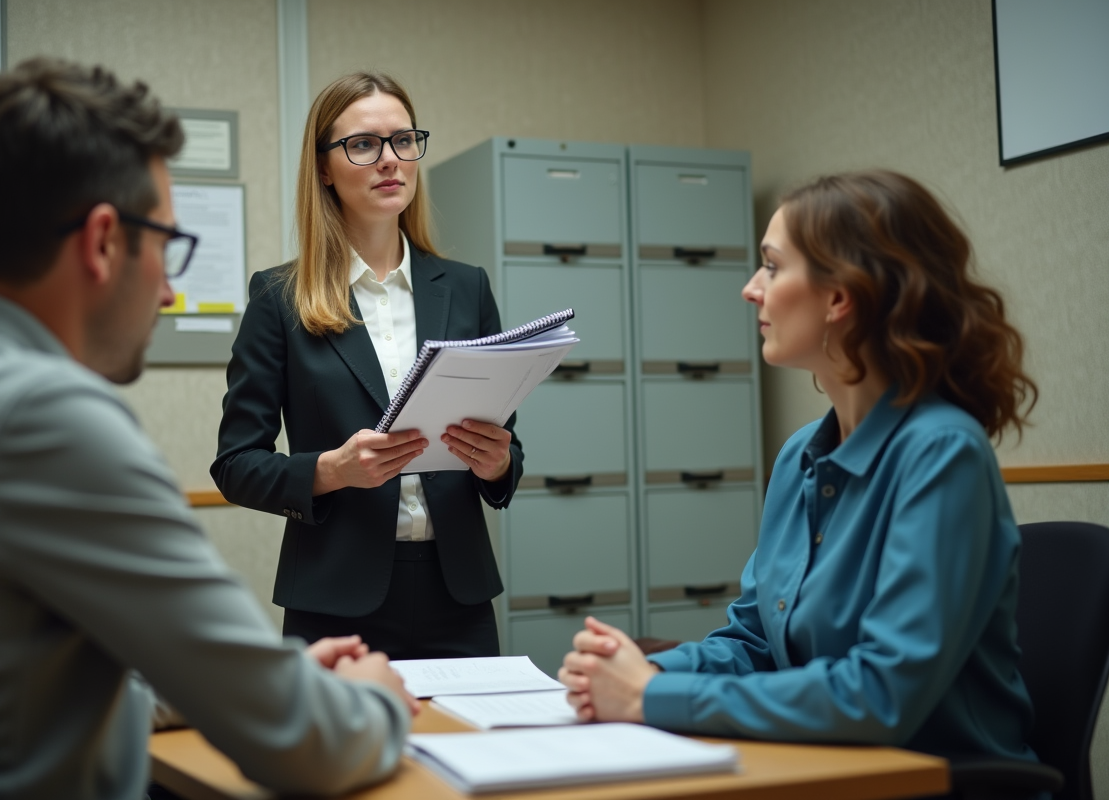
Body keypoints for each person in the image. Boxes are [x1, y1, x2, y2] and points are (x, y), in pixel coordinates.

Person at [0, 58, 417, 800]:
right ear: (104, 241)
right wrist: (369, 696)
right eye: (166, 245)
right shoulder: (50, 422)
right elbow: (309, 747)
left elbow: (16, 686)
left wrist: (246, 683)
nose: (171, 289)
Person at [559, 170, 1041, 761]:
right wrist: (633, 669)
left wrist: (651, 696)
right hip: (821, 768)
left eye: (772, 266)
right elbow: (755, 642)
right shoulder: (799, 456)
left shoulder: (942, 454)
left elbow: (881, 695)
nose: (750, 289)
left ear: (841, 297)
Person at [211, 72, 522, 660]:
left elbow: (506, 451)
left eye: (404, 140)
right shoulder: (279, 297)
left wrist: (498, 462)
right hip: (334, 600)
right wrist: (331, 470)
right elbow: (236, 464)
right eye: (363, 144)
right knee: (344, 757)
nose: (390, 160)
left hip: (459, 597)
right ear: (324, 167)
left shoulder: (466, 287)